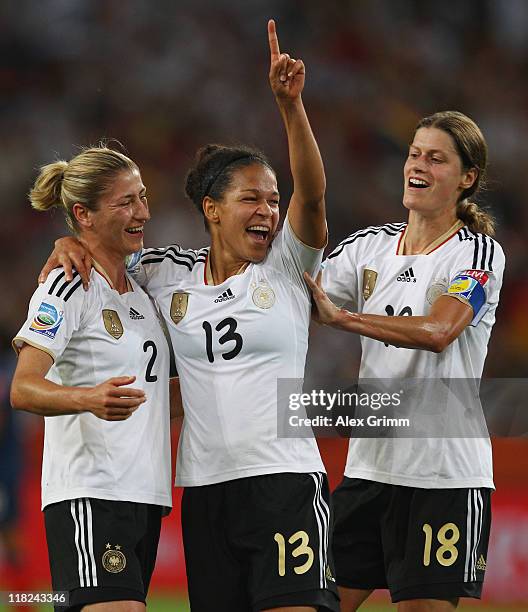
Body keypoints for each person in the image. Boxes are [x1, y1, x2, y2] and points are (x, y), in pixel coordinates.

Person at [38, 20, 339, 612]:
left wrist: (291, 106)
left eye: (273, 200)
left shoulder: (283, 267)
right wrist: (65, 243)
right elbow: (105, 245)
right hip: (203, 489)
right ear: (211, 208)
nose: (268, 212)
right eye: (251, 198)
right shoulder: (166, 272)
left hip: (284, 479)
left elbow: (314, 195)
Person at [304, 111, 505, 610]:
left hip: (443, 477)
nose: (418, 164)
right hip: (369, 470)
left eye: (436, 158)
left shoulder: (477, 254)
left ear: (467, 178)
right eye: (415, 153)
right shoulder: (369, 247)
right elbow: (293, 294)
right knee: (315, 603)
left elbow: (439, 330)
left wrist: (346, 319)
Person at [10, 146, 175, 611]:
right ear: (83, 214)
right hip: (91, 492)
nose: (142, 211)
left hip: (143, 494)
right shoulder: (68, 285)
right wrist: (87, 398)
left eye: (142, 197)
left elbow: (156, 395)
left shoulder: (142, 295)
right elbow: (22, 388)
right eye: (125, 202)